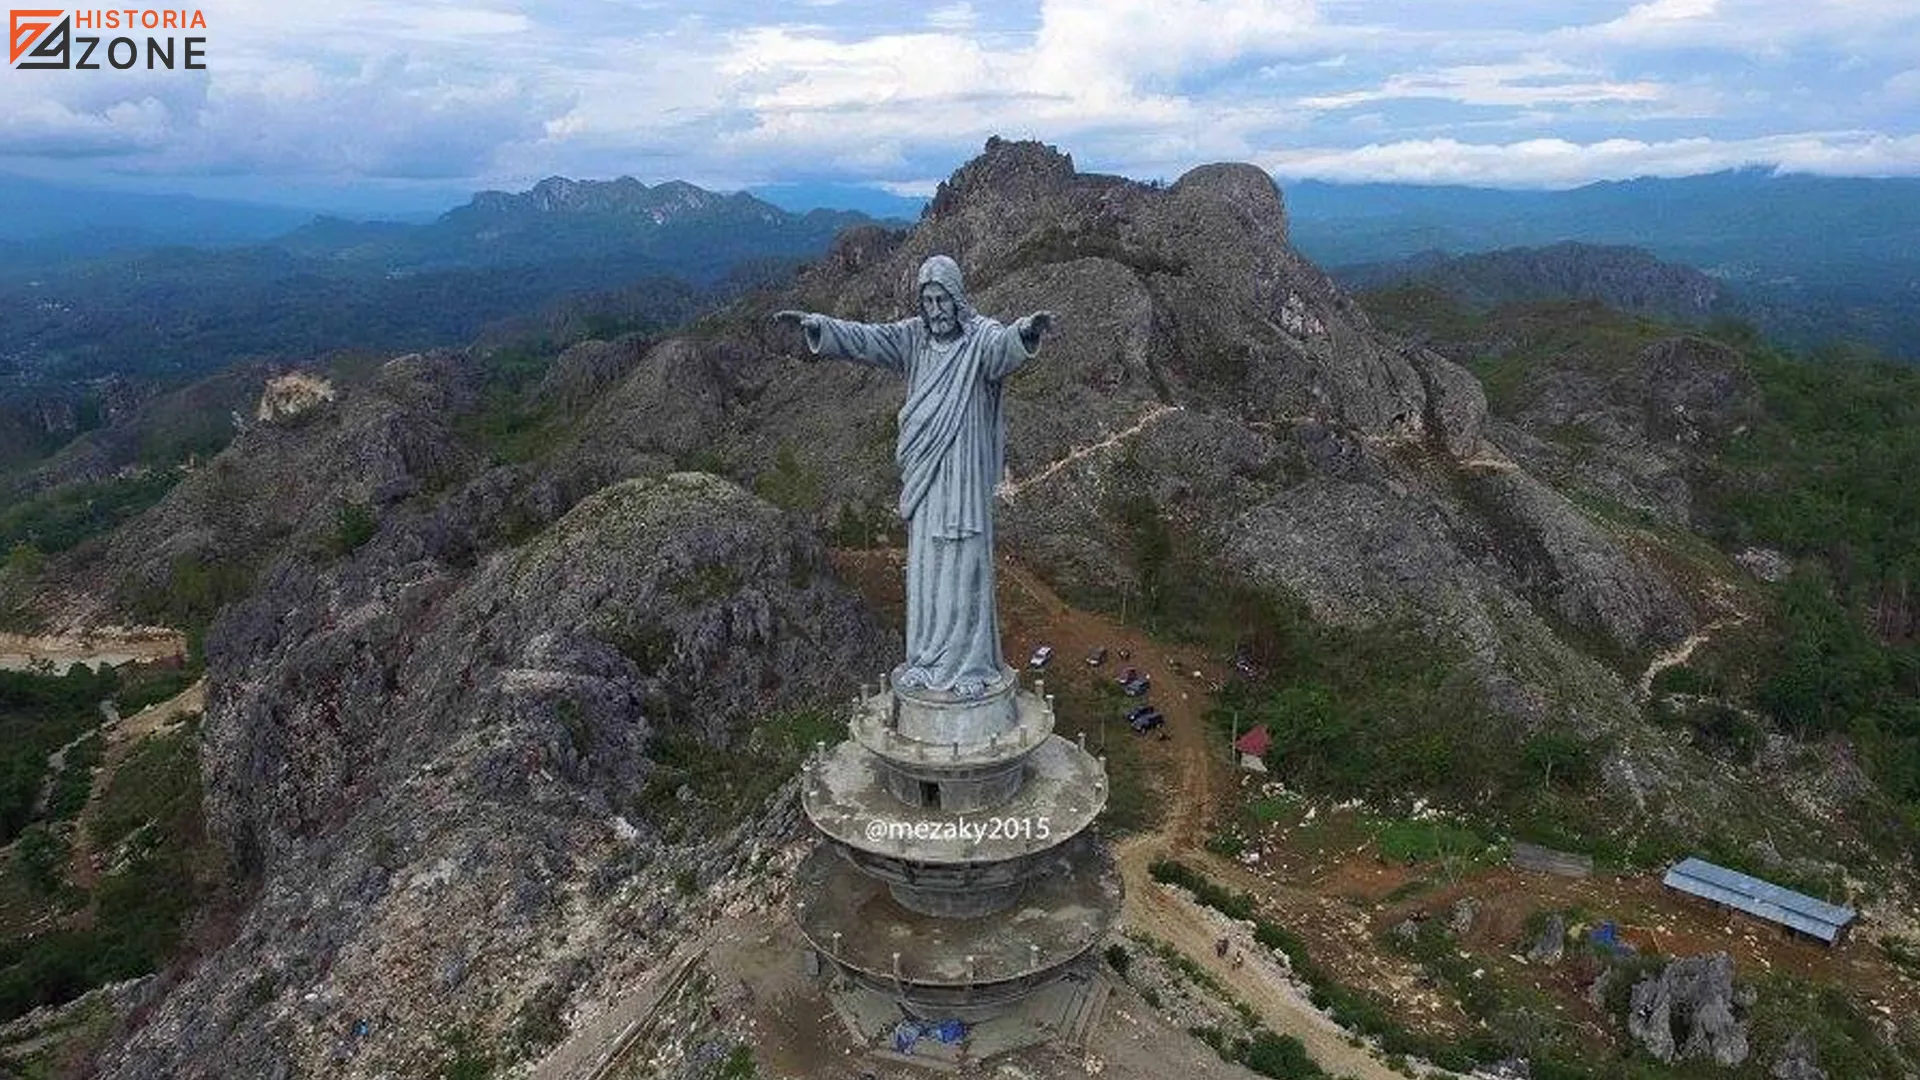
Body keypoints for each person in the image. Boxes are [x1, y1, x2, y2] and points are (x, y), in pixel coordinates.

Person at [774, 255, 1055, 698]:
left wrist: (1025, 332)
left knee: (963, 569)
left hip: (963, 480)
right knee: (928, 569)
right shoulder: (913, 339)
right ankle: (927, 661)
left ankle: (971, 668)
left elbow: (1003, 350)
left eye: (943, 299)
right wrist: (820, 326)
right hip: (927, 479)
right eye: (928, 300)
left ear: (959, 299)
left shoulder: (980, 340)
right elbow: (865, 340)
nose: (936, 309)